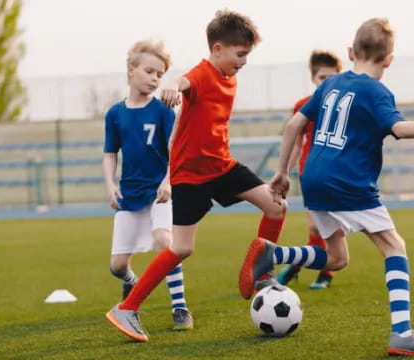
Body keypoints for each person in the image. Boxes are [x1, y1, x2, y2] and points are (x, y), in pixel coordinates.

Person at [241, 18, 414, 356]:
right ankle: (402, 333)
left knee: (336, 259)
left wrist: (281, 173)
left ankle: (275, 254)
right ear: (389, 59)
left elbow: (293, 124)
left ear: (350, 52)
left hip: (314, 180)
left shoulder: (331, 83)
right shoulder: (376, 91)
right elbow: (401, 129)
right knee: (394, 247)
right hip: (348, 182)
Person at [106, 10, 289, 342]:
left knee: (276, 206)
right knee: (181, 249)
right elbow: (183, 81)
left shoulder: (231, 77)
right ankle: (128, 307)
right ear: (217, 49)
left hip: (222, 167)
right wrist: (172, 89)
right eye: (240, 54)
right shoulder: (202, 74)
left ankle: (262, 274)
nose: (244, 61)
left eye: (247, 54)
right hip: (190, 177)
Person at [103, 40, 193, 337]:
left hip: (160, 191)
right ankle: (131, 280)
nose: (155, 78)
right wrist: (110, 184)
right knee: (117, 266)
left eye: (160, 74)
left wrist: (168, 182)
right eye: (150, 71)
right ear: (131, 71)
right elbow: (110, 153)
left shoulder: (164, 111)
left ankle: (179, 306)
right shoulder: (115, 114)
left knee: (164, 241)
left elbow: (174, 150)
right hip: (130, 194)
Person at [277, 50, 342, 289]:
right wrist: (284, 172)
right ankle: (320, 271)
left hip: (339, 174)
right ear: (314, 78)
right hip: (310, 174)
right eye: (323, 77)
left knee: (333, 226)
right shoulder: (303, 106)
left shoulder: (344, 107)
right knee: (316, 226)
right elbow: (297, 144)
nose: (327, 82)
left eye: (332, 77)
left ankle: (301, 266)